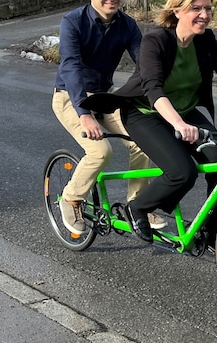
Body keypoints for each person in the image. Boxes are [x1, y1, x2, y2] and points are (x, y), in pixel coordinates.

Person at [83, 0, 217, 244]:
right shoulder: (155, 41)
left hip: (185, 112)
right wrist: (178, 124)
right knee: (182, 171)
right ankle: (138, 207)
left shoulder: (205, 40)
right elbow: (153, 88)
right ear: (177, 11)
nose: (204, 15)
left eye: (208, 8)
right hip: (145, 113)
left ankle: (211, 233)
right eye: (196, 8)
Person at [52, 0, 166, 235]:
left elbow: (144, 64)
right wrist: (83, 113)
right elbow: (71, 67)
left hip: (105, 97)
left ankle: (137, 205)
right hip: (70, 97)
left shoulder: (127, 25)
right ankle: (71, 197)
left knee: (144, 143)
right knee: (100, 152)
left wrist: (164, 99)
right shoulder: (73, 22)